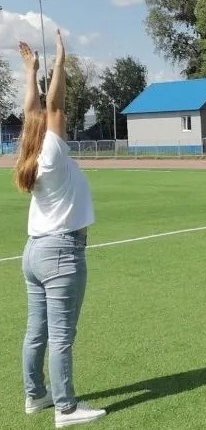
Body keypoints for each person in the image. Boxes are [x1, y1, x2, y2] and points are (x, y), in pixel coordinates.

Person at [15, 33, 107, 426]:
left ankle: (36, 395)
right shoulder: (51, 153)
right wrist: (59, 64)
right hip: (60, 253)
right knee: (61, 336)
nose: (61, 121)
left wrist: (31, 71)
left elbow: (33, 111)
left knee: (37, 332)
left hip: (35, 253)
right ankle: (66, 408)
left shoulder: (32, 154)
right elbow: (53, 105)